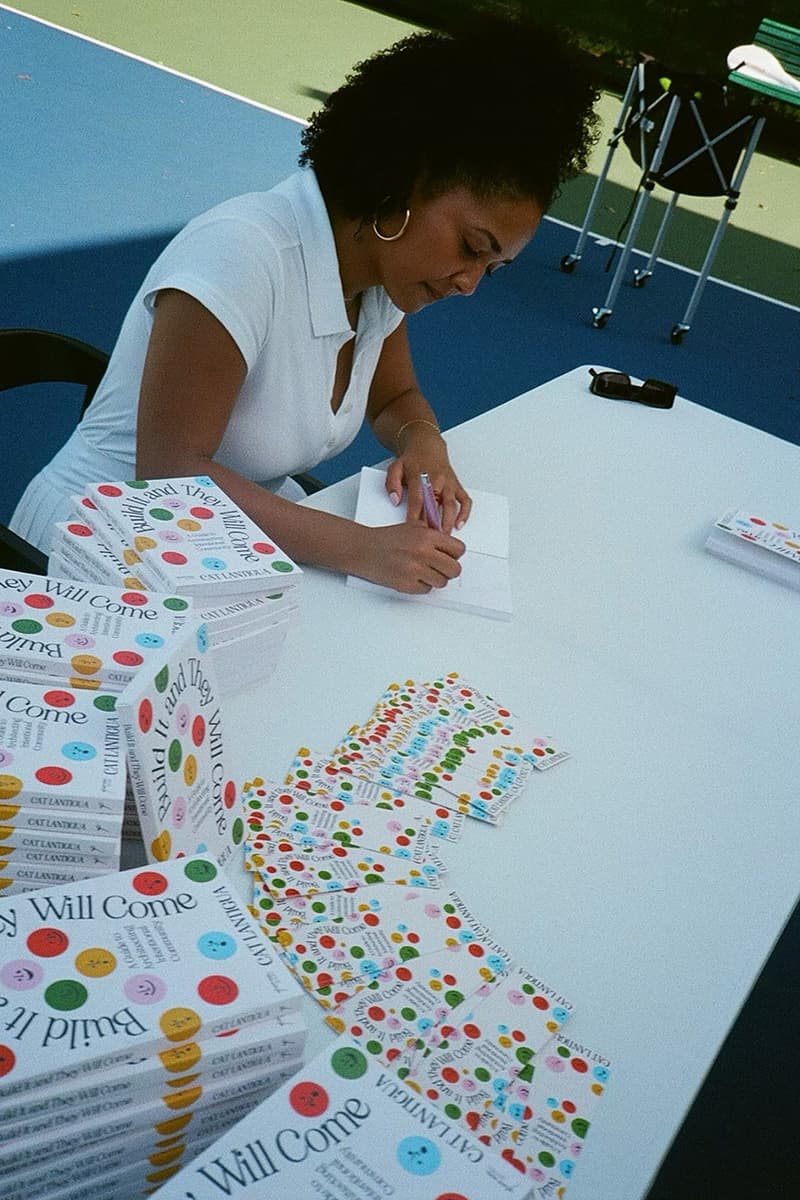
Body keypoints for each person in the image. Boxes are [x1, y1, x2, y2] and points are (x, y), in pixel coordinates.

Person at [11, 14, 599, 594]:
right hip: (95, 547)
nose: (469, 283)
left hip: (226, 542)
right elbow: (170, 472)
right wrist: (359, 546)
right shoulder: (240, 255)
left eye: (491, 269)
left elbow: (394, 397)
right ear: (400, 184)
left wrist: (424, 442)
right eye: (471, 248)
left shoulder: (374, 271)